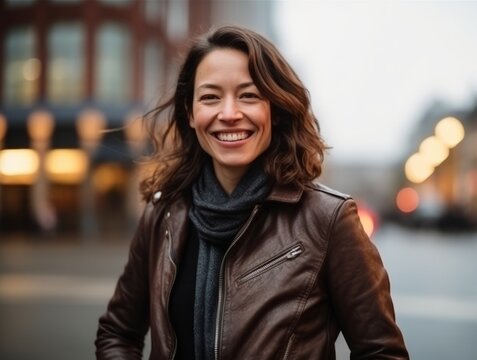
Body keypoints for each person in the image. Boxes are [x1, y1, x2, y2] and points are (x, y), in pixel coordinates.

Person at [96, 25, 409, 360]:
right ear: (190, 113)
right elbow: (117, 334)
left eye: (249, 95)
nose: (229, 114)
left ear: (275, 109)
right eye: (210, 97)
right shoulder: (162, 215)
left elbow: (382, 353)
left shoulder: (328, 219)